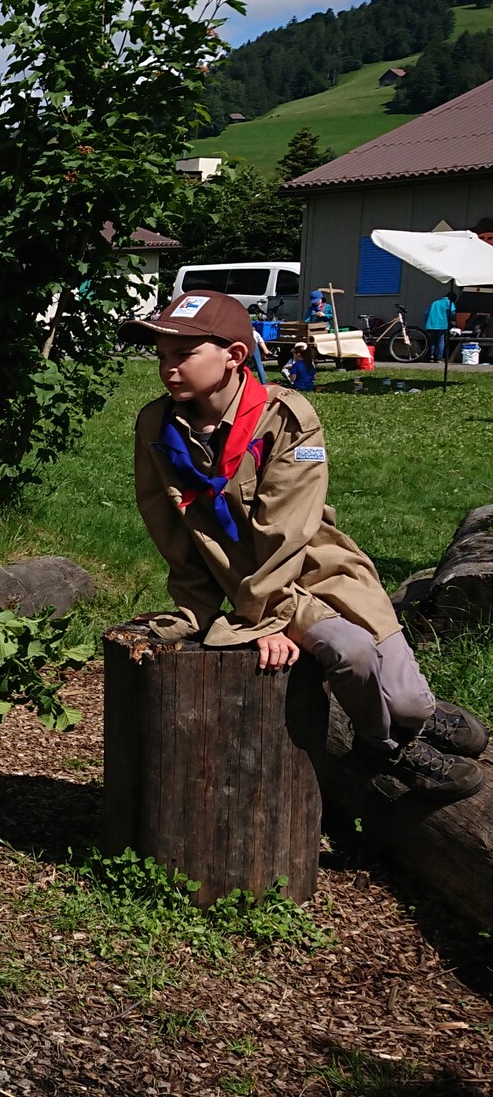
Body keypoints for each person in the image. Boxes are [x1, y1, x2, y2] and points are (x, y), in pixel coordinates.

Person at [121, 290, 486, 802]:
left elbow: (287, 530)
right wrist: (205, 611)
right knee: (350, 652)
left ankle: (419, 717)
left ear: (235, 355)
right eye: (162, 355)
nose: (168, 368)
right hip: (251, 581)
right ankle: (382, 748)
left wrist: (261, 618)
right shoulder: (156, 425)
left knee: (409, 702)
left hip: (319, 569)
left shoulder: (285, 417)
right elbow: (170, 527)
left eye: (184, 354)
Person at [425, 292, 456, 363]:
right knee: (441, 341)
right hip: (442, 324)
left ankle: (431, 356)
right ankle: (439, 357)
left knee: (433, 341)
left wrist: (427, 323)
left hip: (432, 324)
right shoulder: (449, 303)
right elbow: (453, 314)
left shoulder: (435, 303)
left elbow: (426, 313)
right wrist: (453, 323)